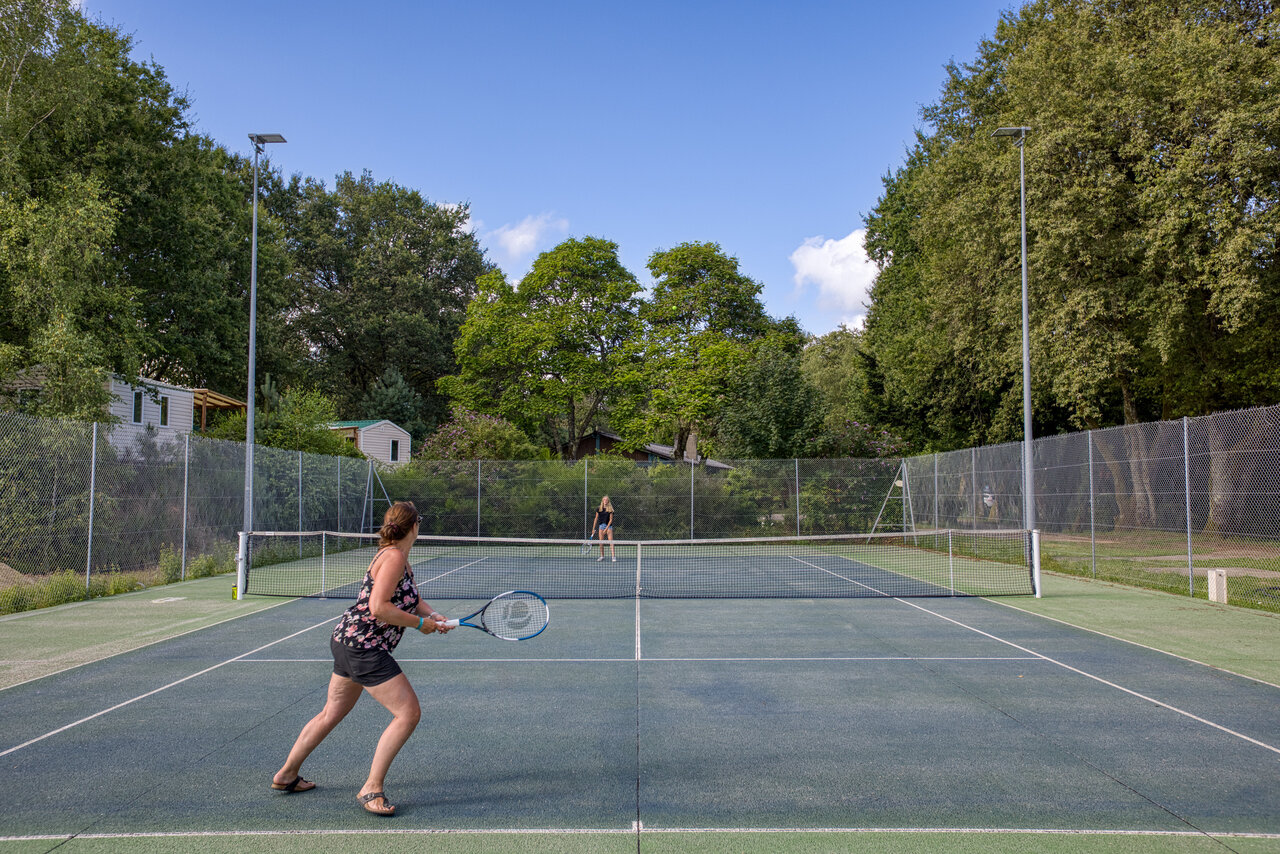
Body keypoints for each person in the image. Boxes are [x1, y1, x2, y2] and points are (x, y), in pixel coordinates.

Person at [271, 501, 452, 817]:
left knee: (331, 712)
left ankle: (286, 775)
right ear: (413, 526)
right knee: (408, 713)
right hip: (364, 646)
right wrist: (421, 624)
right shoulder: (394, 558)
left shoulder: (400, 559)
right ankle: (372, 788)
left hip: (348, 641)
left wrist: (433, 615)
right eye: (419, 520)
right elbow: (379, 606)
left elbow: (413, 599)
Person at [591, 495, 616, 562]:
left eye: (606, 500)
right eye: (604, 499)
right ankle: (602, 556)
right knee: (601, 542)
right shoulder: (599, 509)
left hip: (608, 526)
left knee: (611, 542)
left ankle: (613, 556)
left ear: (608, 501)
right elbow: (596, 518)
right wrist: (593, 528)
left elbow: (611, 520)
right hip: (601, 526)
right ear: (602, 500)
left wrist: (606, 529)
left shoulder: (610, 509)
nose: (605, 501)